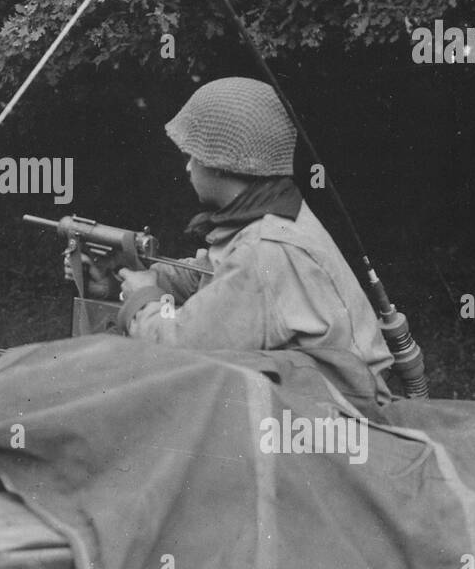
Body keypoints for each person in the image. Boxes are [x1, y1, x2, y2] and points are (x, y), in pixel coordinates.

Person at [115, 77, 394, 404]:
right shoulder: (272, 213)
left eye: (193, 155)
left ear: (220, 163)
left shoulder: (264, 249)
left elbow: (177, 349)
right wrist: (140, 272)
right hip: (328, 396)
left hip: (346, 419)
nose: (187, 166)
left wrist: (142, 299)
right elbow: (213, 274)